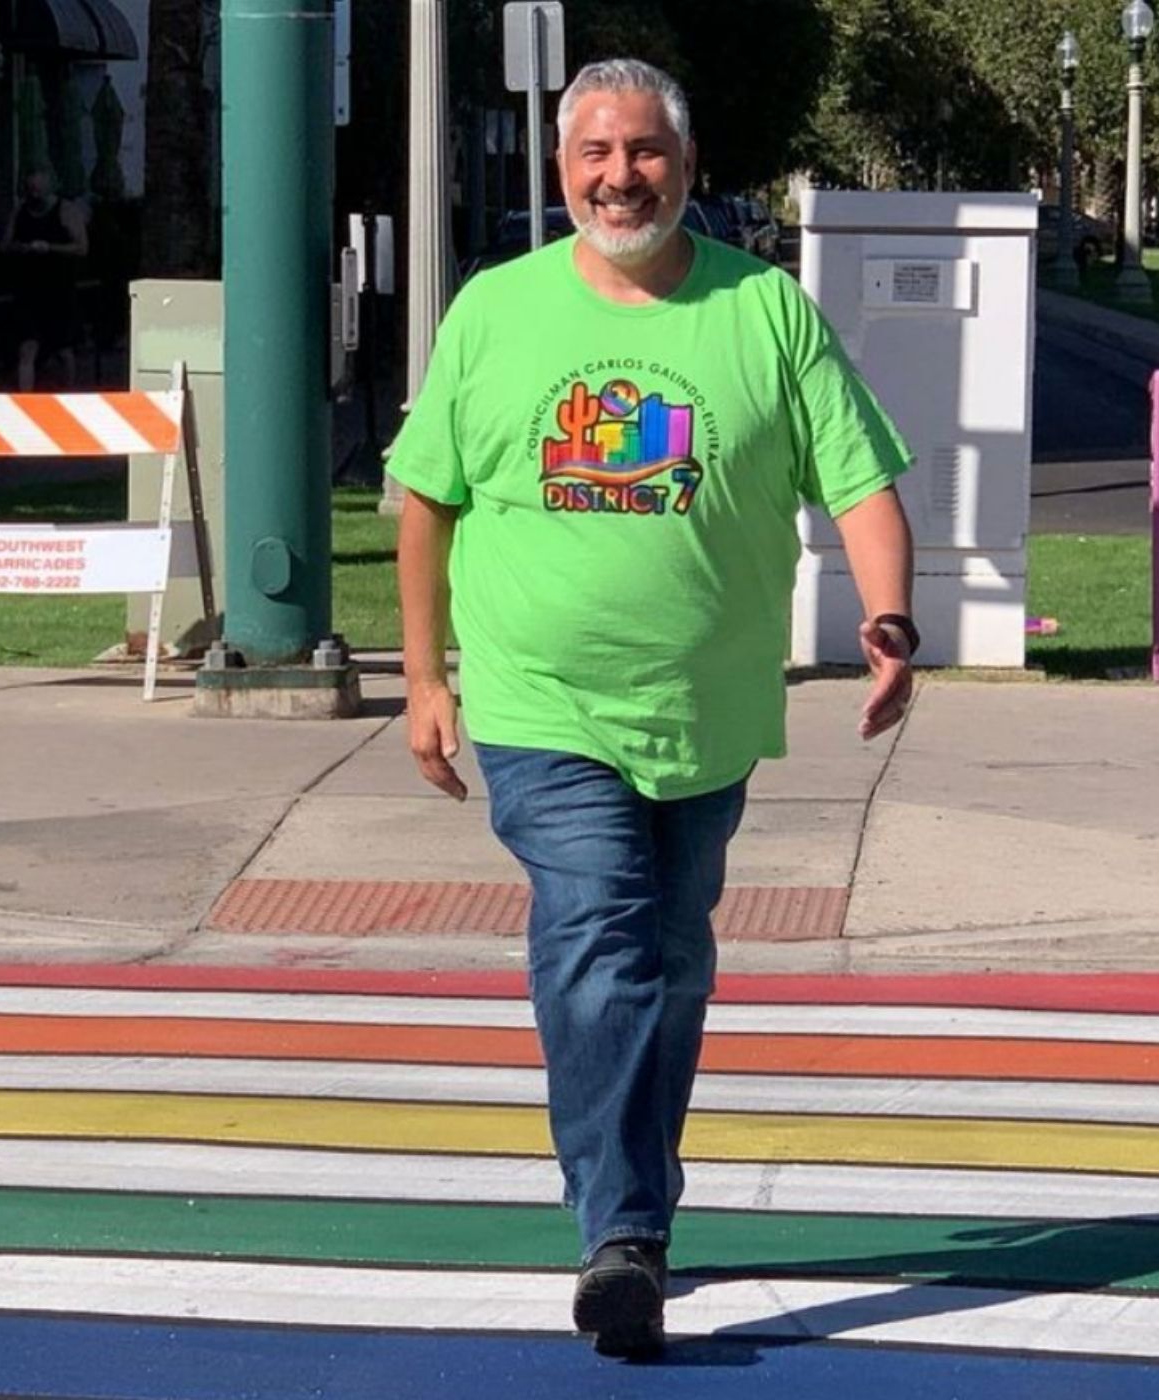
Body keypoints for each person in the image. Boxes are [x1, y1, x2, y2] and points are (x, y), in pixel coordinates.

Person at [389, 58, 917, 1359]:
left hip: (708, 705)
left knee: (670, 958)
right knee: (602, 929)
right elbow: (427, 502)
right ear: (561, 170)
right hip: (539, 700)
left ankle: (635, 1194)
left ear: (687, 165)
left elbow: (857, 481)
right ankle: (621, 1234)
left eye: (645, 153)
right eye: (595, 155)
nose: (620, 176)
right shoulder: (496, 311)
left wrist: (893, 624)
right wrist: (425, 675)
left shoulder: (766, 313)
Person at [0, 168, 88, 391]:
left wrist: (51, 248)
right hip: (29, 290)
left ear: (49, 188)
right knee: (27, 346)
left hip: (59, 289)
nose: (35, 195)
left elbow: (82, 247)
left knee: (63, 349)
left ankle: (69, 394)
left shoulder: (65, 210)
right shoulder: (20, 211)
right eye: (31, 190)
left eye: (39, 190)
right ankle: (25, 399)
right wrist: (23, 248)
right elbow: (4, 245)